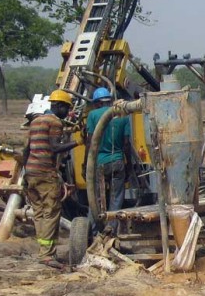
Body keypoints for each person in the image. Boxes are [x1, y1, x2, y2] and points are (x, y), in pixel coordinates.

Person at [23, 89, 76, 270]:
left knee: (39, 213)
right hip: (45, 173)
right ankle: (47, 255)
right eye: (66, 108)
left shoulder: (35, 121)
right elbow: (54, 148)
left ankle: (43, 251)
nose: (68, 112)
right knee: (52, 212)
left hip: (31, 173)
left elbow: (26, 150)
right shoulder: (54, 122)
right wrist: (78, 142)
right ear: (59, 106)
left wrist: (25, 175)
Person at [85, 87, 131, 233]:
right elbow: (126, 144)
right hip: (117, 162)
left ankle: (94, 231)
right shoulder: (122, 115)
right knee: (116, 198)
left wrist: (85, 164)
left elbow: (90, 141)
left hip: (98, 162)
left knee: (97, 198)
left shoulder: (92, 115)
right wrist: (128, 164)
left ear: (97, 103)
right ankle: (112, 229)